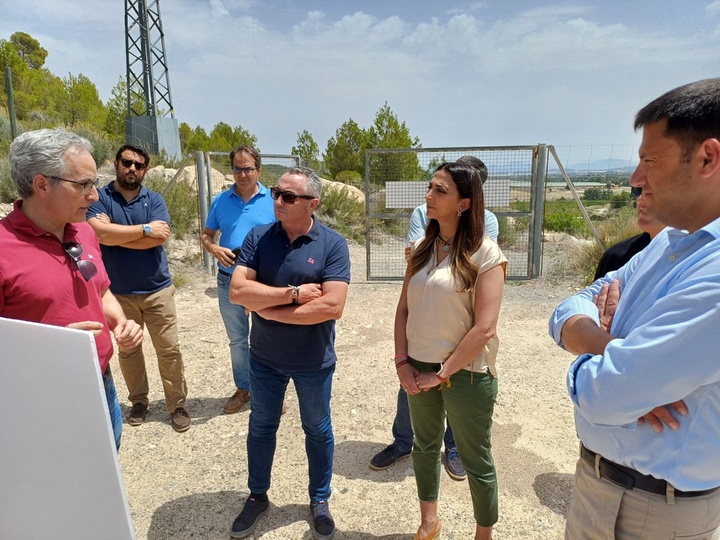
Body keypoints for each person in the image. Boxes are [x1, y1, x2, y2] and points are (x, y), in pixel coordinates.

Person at [549, 78, 720, 539]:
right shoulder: (672, 240)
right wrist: (612, 347)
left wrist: (618, 374)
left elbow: (607, 397)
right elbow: (568, 308)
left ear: (708, 157)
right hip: (598, 484)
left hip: (659, 513)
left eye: (650, 161)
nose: (635, 179)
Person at [0, 129, 143, 450]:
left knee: (104, 481)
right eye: (83, 185)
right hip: (39, 401)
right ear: (41, 185)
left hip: (101, 384)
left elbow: (101, 291)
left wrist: (120, 323)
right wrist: (52, 346)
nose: (94, 196)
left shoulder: (83, 232)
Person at [227, 167, 350, 540]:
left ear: (312, 203)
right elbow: (236, 292)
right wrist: (291, 295)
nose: (278, 200)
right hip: (264, 359)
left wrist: (265, 307)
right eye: (277, 193)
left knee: (317, 429)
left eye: (288, 197)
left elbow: (332, 307)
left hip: (314, 361)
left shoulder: (332, 244)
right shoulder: (258, 237)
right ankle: (258, 496)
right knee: (262, 427)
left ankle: (319, 499)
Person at [396, 162, 506, 540]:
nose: (428, 196)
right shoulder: (421, 250)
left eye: (440, 190)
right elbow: (403, 310)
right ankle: (429, 523)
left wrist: (441, 373)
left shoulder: (486, 254)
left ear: (464, 203)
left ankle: (483, 535)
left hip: (467, 372)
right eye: (430, 187)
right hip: (418, 364)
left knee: (476, 460)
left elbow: (485, 328)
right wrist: (402, 363)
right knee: (423, 447)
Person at [371, 155, 499, 481]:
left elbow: (477, 266)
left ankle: (452, 447)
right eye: (432, 187)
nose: (430, 195)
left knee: (458, 386)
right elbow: (415, 248)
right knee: (411, 386)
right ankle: (403, 441)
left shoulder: (490, 223)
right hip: (423, 319)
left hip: (456, 321)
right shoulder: (421, 212)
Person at [87, 144, 190, 433]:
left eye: (139, 165)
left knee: (169, 350)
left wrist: (115, 235)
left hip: (157, 289)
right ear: (117, 163)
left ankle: (177, 405)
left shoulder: (154, 199)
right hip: (118, 293)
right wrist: (144, 229)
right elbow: (99, 234)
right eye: (127, 162)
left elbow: (159, 238)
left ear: (145, 170)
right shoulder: (100, 197)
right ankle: (139, 402)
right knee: (129, 350)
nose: (132, 169)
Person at [201, 145, 275, 414]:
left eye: (248, 169)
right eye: (237, 169)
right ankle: (244, 388)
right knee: (237, 339)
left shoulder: (273, 201)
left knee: (268, 336)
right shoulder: (221, 200)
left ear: (258, 170)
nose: (242, 174)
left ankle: (269, 390)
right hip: (228, 281)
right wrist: (214, 248)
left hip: (264, 283)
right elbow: (207, 235)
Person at [593, 187, 665, 280]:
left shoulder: (688, 259)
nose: (640, 198)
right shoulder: (615, 257)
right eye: (638, 191)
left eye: (652, 191)